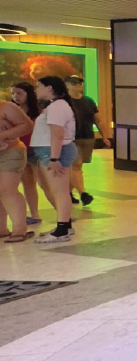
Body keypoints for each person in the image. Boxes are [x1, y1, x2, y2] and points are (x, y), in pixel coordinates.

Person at [30, 76, 77, 243]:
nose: (36, 90)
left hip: (56, 152)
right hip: (50, 152)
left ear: (49, 88)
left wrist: (54, 158)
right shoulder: (55, 106)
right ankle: (65, 225)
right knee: (52, 188)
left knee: (60, 191)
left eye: (38, 86)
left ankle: (62, 229)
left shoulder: (57, 107)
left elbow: (57, 135)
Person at [65, 75, 110, 207]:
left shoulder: (89, 101)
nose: (77, 85)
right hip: (71, 139)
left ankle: (67, 192)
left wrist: (104, 136)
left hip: (87, 137)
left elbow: (98, 120)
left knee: (78, 167)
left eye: (79, 82)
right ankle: (83, 193)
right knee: (76, 166)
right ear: (66, 85)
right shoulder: (64, 102)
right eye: (73, 83)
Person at [0, 94, 34, 242]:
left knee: (7, 190)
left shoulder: (7, 107)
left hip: (12, 151)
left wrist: (3, 135)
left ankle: (19, 230)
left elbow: (27, 125)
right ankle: (2, 229)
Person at [10, 83, 42, 226]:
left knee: (44, 182)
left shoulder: (38, 111)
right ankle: (34, 214)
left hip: (36, 148)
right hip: (18, 149)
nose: (16, 96)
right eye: (13, 94)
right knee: (27, 183)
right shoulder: (10, 110)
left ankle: (62, 213)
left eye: (19, 93)